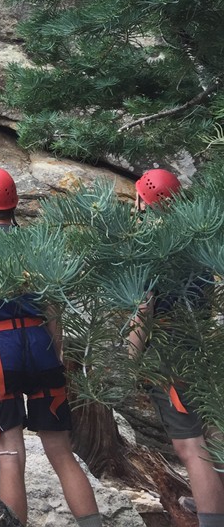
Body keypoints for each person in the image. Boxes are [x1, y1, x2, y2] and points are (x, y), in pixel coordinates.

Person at [0, 168, 102, 527]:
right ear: (14, 203)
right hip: (40, 347)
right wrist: (57, 354)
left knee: (10, 456)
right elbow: (53, 308)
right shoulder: (35, 243)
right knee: (62, 453)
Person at [129, 170, 224, 527]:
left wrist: (130, 362)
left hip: (169, 353)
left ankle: (212, 518)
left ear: (144, 202)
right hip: (201, 345)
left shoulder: (151, 246)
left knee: (190, 446)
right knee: (214, 437)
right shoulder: (195, 240)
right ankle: (212, 501)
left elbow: (143, 311)